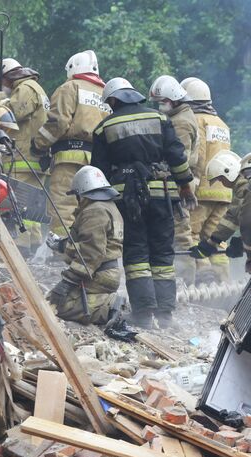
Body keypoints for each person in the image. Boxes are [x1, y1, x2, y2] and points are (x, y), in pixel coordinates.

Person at [91, 77, 197, 329]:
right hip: (163, 195)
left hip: (127, 199)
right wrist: (184, 186)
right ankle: (165, 315)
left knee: (136, 253)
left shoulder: (103, 127)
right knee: (162, 253)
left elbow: (99, 171)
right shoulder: (161, 119)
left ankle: (142, 313)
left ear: (114, 100)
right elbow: (177, 157)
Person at [30, 50, 110, 237]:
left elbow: (58, 123)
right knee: (91, 205)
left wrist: (39, 145)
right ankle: (87, 247)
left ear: (72, 68)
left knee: (64, 204)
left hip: (69, 158)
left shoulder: (70, 88)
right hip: (98, 161)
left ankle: (64, 247)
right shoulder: (106, 93)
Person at [46, 166, 124, 325]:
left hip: (97, 274)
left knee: (57, 306)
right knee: (54, 300)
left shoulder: (94, 211)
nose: (77, 199)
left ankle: (108, 307)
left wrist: (67, 282)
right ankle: (102, 301)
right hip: (104, 272)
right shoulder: (108, 207)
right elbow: (91, 243)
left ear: (83, 192)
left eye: (77, 195)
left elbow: (91, 253)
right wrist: (62, 245)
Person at [0, 58, 50, 254]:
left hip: (24, 155)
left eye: (2, 80)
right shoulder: (36, 88)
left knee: (18, 201)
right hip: (35, 156)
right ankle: (32, 243)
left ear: (7, 76)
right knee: (31, 205)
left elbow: (12, 115)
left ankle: (22, 245)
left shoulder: (26, 88)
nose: (3, 85)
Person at [180, 77, 233, 285]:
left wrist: (188, 184)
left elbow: (199, 156)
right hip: (224, 192)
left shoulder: (196, 120)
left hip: (202, 190)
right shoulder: (222, 124)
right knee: (217, 241)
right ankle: (223, 285)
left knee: (193, 235)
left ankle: (203, 279)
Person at [149, 75, 199, 284]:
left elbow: (179, 159)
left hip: (179, 185)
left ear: (174, 100)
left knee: (180, 235)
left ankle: (186, 282)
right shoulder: (180, 116)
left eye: (161, 103)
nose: (159, 107)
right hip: (176, 183)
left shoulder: (181, 123)